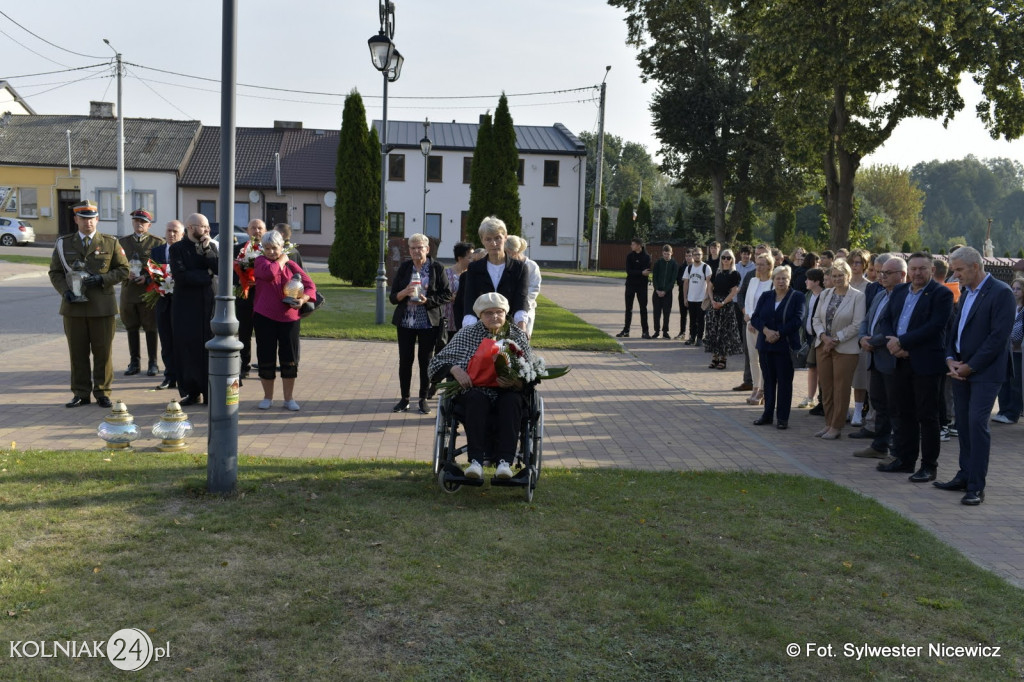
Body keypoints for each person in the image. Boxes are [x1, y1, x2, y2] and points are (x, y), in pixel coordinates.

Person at [937, 246, 1016, 505]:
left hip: (985, 372)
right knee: (963, 423)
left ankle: (976, 485)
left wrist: (971, 366)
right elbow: (955, 329)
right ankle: (964, 474)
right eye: (953, 269)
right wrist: (950, 358)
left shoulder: (1001, 292)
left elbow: (998, 337)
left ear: (976, 266)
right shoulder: (966, 292)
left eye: (959, 269)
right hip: (960, 369)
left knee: (976, 424)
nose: (955, 274)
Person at [428, 292, 534, 480]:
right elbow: (436, 363)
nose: (494, 316)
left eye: (499, 312)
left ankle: (505, 463)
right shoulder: (467, 333)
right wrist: (454, 369)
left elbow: (532, 372)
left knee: (511, 401)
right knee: (476, 399)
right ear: (479, 315)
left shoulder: (517, 335)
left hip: (508, 391)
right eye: (488, 313)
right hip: (475, 391)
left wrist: (517, 382)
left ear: (506, 313)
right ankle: (476, 462)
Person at [874, 253, 953, 481]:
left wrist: (903, 342)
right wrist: (892, 341)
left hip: (925, 363)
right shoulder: (899, 291)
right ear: (907, 271)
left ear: (931, 270)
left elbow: (935, 327)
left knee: (927, 416)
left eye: (922, 269)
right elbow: (886, 319)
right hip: (899, 360)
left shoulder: (942, 294)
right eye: (914, 269)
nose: (917, 273)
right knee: (902, 412)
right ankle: (904, 460)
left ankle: (929, 466)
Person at [47, 200, 129, 408]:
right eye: (83, 219)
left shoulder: (110, 242)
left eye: (91, 218)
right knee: (77, 353)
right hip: (73, 307)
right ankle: (81, 393)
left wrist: (102, 279)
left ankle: (102, 392)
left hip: (102, 307)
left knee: (103, 352)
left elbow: (123, 270)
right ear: (76, 220)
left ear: (97, 219)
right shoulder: (64, 243)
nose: (88, 223)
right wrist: (65, 291)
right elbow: (55, 272)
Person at [252, 229, 316, 411]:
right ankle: (267, 397)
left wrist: (302, 299)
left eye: (275, 247)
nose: (271, 251)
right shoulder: (260, 262)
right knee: (266, 357)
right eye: (267, 248)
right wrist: (282, 259)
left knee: (289, 358)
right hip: (265, 316)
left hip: (289, 318)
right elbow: (270, 274)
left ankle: (289, 399)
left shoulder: (291, 265)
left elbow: (310, 286)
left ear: (282, 246)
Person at [390, 233, 452, 415]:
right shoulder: (405, 268)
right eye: (413, 248)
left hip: (428, 323)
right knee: (405, 361)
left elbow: (447, 294)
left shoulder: (437, 268)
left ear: (427, 249)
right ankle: (404, 399)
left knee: (425, 362)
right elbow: (393, 297)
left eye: (420, 247)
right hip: (406, 322)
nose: (417, 251)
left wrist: (427, 301)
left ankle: (423, 399)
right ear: (409, 250)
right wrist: (404, 292)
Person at [850, 255, 905, 457]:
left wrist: (872, 342)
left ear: (902, 275)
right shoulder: (881, 294)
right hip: (874, 356)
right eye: (881, 272)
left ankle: (895, 448)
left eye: (887, 273)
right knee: (878, 402)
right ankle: (879, 445)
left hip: (890, 358)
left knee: (893, 406)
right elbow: (867, 319)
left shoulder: (903, 297)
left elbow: (895, 327)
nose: (882, 276)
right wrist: (863, 337)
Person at [812, 259, 865, 439]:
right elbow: (816, 319)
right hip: (823, 346)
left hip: (845, 348)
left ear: (848, 276)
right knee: (826, 388)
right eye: (834, 276)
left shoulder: (858, 296)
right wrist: (823, 337)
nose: (837, 279)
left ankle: (837, 426)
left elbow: (858, 324)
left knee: (841, 388)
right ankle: (828, 423)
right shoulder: (826, 294)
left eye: (841, 275)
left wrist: (836, 339)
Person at [170, 213, 218, 406]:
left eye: (207, 227)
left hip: (207, 304)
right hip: (185, 306)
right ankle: (191, 391)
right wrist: (205, 276)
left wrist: (207, 251)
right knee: (187, 348)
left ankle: (209, 391)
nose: (207, 230)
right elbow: (181, 276)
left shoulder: (211, 247)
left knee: (207, 346)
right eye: (203, 227)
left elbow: (219, 269)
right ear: (190, 228)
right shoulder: (177, 249)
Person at [750, 265, 805, 429]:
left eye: (784, 278)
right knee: (768, 382)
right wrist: (766, 331)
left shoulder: (797, 297)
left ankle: (782, 418)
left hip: (785, 347)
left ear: (790, 280)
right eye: (778, 278)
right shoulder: (766, 296)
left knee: (784, 382)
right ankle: (767, 414)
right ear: (773, 280)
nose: (781, 281)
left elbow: (797, 320)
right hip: (765, 345)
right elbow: (755, 318)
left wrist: (778, 333)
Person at [118, 208, 164, 377]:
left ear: (149, 225)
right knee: (131, 328)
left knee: (151, 328)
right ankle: (134, 362)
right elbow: (116, 265)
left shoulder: (157, 243)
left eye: (143, 222)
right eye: (136, 221)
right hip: (129, 292)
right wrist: (125, 273)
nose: (139, 224)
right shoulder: (122, 242)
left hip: (147, 293)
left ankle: (153, 362)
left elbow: (161, 267)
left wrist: (147, 277)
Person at [461, 216, 528, 331]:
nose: (493, 243)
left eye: (498, 238)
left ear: (505, 237)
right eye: (488, 239)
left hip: (509, 328)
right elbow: (470, 300)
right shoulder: (474, 268)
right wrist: (468, 331)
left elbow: (521, 300)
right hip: (480, 328)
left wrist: (522, 329)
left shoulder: (519, 268)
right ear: (482, 240)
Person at [151, 220, 184, 391]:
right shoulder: (156, 251)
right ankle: (169, 376)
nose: (171, 234)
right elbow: (151, 272)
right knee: (165, 339)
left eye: (175, 231)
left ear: (182, 234)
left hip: (182, 303)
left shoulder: (185, 251)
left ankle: (182, 376)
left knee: (181, 340)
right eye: (169, 230)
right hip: (162, 302)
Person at [234, 219, 266, 380]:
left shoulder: (270, 250)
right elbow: (230, 271)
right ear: (247, 230)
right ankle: (244, 366)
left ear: (265, 231)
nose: (257, 231)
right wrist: (241, 279)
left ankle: (264, 366)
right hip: (244, 298)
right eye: (253, 228)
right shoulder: (237, 249)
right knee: (244, 335)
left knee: (263, 335)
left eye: (260, 228)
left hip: (264, 299)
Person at [741, 251, 775, 402]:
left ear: (769, 266)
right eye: (758, 264)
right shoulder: (754, 281)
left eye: (762, 264)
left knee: (764, 359)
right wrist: (748, 318)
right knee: (753, 359)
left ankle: (763, 390)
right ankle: (755, 388)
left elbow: (769, 307)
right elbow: (748, 301)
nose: (759, 267)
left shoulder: (772, 284)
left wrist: (755, 320)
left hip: (763, 326)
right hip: (750, 325)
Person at [704, 248, 742, 369]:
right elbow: (709, 286)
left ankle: (723, 359)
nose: (726, 260)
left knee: (724, 333)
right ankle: (714, 358)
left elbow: (734, 291)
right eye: (723, 257)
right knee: (713, 331)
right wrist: (712, 300)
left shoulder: (734, 274)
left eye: (728, 258)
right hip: (714, 304)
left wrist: (723, 302)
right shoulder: (717, 272)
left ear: (732, 260)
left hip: (726, 305)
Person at [993, 277, 1023, 424]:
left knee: (1015, 383)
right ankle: (1003, 410)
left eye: (1018, 289)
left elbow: (1017, 333)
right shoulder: (1010, 306)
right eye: (1013, 288)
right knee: (1003, 380)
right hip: (1006, 349)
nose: (1015, 291)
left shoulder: (1022, 310)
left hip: (1018, 352)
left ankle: (1012, 413)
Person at [847, 249, 872, 426]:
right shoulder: (842, 282)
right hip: (843, 334)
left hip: (860, 335)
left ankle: (858, 410)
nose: (855, 266)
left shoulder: (869, 286)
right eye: (853, 262)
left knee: (860, 375)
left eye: (858, 263)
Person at [797, 267, 826, 409]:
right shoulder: (807, 295)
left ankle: (822, 398)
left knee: (821, 368)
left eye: (808, 279)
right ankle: (810, 397)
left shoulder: (825, 295)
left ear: (816, 281)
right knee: (812, 367)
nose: (805, 281)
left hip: (820, 337)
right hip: (808, 336)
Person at [505, 235, 541, 337]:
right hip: (508, 310)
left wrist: (521, 304)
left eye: (507, 251)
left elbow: (534, 289)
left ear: (515, 251)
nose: (505, 255)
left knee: (523, 339)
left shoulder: (531, 266)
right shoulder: (507, 264)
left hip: (526, 309)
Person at [616, 237, 652, 338]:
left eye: (633, 244)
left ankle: (645, 331)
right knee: (628, 308)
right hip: (630, 285)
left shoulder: (647, 257)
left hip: (642, 286)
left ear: (639, 246)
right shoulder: (629, 256)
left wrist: (639, 273)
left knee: (643, 308)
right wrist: (640, 272)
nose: (631, 246)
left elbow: (647, 272)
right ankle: (626, 330)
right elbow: (629, 271)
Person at [441, 241, 473, 345]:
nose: (472, 260)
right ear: (460, 258)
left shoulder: (472, 275)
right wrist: (453, 297)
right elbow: (439, 294)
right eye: (469, 257)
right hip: (448, 320)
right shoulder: (446, 274)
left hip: (464, 320)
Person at [682, 247, 712, 346]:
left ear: (702, 255)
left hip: (701, 298)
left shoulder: (706, 267)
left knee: (701, 319)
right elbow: (686, 283)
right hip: (691, 298)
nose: (697, 256)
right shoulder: (689, 268)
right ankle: (692, 337)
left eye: (699, 254)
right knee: (692, 319)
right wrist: (685, 297)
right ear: (693, 256)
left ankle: (699, 338)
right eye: (695, 254)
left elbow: (709, 283)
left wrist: (707, 297)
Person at [453, 248, 486, 332]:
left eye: (479, 260)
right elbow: (458, 304)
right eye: (473, 260)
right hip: (468, 324)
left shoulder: (492, 277)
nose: (475, 263)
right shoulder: (465, 276)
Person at [651, 244, 679, 339]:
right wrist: (657, 289)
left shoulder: (674, 264)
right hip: (657, 292)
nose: (666, 256)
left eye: (668, 254)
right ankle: (656, 331)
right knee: (656, 313)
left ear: (671, 253)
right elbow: (654, 277)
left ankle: (665, 331)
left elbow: (673, 280)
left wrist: (665, 291)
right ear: (662, 253)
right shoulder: (658, 263)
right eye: (665, 254)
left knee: (666, 313)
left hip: (667, 293)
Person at [674, 248, 692, 339]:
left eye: (690, 256)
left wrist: (687, 282)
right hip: (682, 293)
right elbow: (678, 280)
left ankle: (692, 334)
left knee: (693, 316)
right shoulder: (682, 267)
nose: (688, 258)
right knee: (683, 314)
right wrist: (685, 282)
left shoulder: (696, 267)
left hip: (693, 295)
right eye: (686, 256)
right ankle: (682, 332)